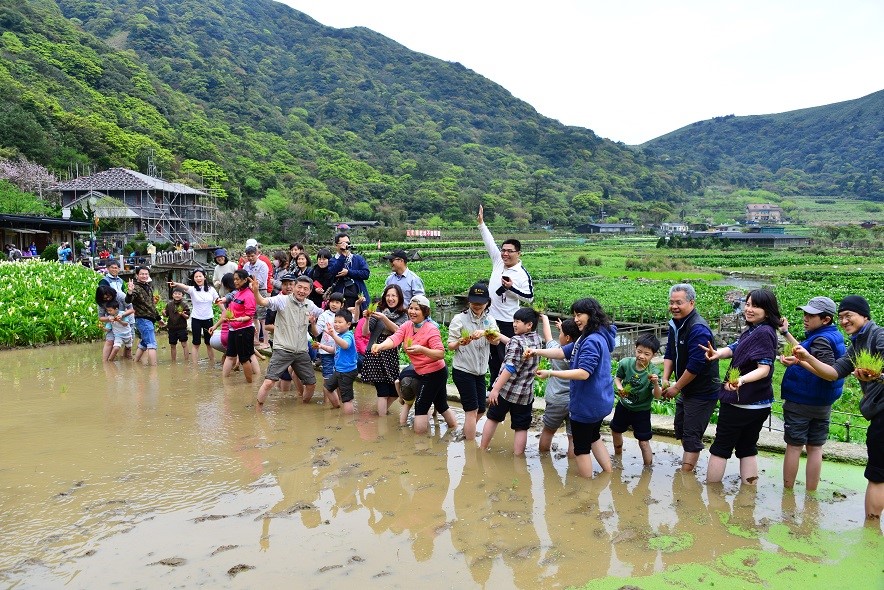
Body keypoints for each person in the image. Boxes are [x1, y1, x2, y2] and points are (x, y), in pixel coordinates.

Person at [792, 295, 884, 522]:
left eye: (848, 315)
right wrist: (806, 359)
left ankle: (871, 528)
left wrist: (878, 376)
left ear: (864, 315)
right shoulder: (856, 345)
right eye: (841, 317)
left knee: (877, 475)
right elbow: (832, 373)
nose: (843, 321)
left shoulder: (879, 336)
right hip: (877, 412)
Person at [700, 289, 781, 485]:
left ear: (768, 311)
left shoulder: (763, 333)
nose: (748, 309)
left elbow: (764, 368)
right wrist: (719, 354)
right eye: (747, 304)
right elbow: (737, 346)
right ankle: (748, 495)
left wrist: (741, 381)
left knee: (721, 448)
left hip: (741, 402)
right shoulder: (756, 330)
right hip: (759, 404)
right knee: (747, 447)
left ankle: (711, 494)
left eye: (755, 306)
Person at [533, 298, 616, 477]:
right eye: (574, 315)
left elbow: (583, 373)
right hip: (599, 401)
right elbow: (563, 351)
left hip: (586, 403)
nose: (576, 319)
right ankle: (608, 475)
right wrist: (536, 351)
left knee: (581, 449)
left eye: (579, 315)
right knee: (594, 436)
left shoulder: (591, 340)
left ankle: (586, 490)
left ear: (591, 315)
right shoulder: (593, 335)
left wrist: (551, 373)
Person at [778, 296, 846, 491]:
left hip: (803, 400)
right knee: (815, 447)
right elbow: (805, 352)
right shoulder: (831, 335)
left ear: (826, 319)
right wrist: (786, 333)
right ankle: (811, 491)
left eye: (811, 316)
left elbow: (827, 371)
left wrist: (799, 363)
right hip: (822, 403)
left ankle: (788, 491)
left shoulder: (821, 340)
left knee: (794, 446)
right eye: (805, 314)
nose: (806, 318)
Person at [370, 295, 457, 435]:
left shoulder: (431, 329)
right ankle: (454, 430)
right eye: (411, 308)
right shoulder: (407, 326)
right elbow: (394, 338)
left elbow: (440, 354)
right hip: (420, 371)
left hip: (435, 373)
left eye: (417, 309)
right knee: (441, 405)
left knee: (421, 406)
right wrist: (380, 346)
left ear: (425, 312)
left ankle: (420, 446)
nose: (412, 311)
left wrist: (422, 349)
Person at [661, 283, 720, 472]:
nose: (674, 306)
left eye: (679, 302)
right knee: (682, 428)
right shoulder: (675, 324)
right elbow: (670, 352)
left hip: (701, 391)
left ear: (691, 303)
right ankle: (688, 467)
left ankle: (686, 475)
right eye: (671, 302)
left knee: (692, 435)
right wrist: (665, 378)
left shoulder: (698, 329)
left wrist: (676, 387)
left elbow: (696, 365)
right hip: (686, 388)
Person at [476, 205, 534, 390]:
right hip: (491, 320)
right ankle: (493, 389)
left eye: (510, 251)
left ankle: (506, 389)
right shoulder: (498, 261)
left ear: (518, 253)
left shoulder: (522, 274)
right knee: (492, 356)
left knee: (506, 357)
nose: (505, 254)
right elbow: (489, 243)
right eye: (504, 250)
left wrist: (512, 288)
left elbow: (529, 298)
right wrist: (481, 224)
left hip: (509, 322)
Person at [480, 307, 542, 456]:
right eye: (514, 321)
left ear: (529, 325)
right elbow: (515, 345)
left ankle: (481, 450)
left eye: (518, 322)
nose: (514, 324)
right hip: (525, 394)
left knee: (493, 418)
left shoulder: (516, 341)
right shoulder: (537, 339)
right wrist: (498, 335)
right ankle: (518, 457)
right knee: (521, 427)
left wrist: (495, 389)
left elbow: (510, 367)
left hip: (506, 391)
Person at [252, 274, 322, 406]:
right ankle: (257, 411)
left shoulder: (310, 305)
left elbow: (326, 314)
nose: (302, 291)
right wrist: (256, 292)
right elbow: (262, 302)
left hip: (301, 351)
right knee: (269, 382)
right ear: (294, 287)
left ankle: (303, 408)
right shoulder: (282, 300)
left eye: (305, 289)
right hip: (283, 349)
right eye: (299, 287)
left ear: (310, 291)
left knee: (311, 384)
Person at [448, 282, 500, 441]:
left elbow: (497, 341)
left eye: (481, 303)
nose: (477, 306)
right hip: (463, 370)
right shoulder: (459, 319)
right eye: (474, 302)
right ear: (469, 301)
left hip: (480, 371)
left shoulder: (489, 320)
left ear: (487, 302)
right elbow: (450, 345)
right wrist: (460, 342)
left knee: (481, 410)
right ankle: (470, 448)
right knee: (471, 410)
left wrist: (486, 333)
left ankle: (464, 433)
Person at [612, 334, 663, 466]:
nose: (641, 356)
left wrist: (656, 384)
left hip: (642, 411)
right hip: (623, 406)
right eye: (639, 351)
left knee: (644, 441)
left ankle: (648, 468)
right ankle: (618, 458)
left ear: (654, 355)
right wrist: (620, 388)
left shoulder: (653, 372)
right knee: (616, 430)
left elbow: (657, 395)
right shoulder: (626, 363)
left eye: (647, 354)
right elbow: (618, 378)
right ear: (635, 348)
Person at [361, 284, 409, 416]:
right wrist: (367, 318)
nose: (390, 298)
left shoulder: (404, 315)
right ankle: (382, 424)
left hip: (391, 354)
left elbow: (399, 331)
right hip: (375, 353)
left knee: (394, 392)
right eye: (388, 295)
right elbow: (365, 333)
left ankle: (379, 414)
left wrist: (383, 318)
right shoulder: (378, 310)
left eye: (394, 295)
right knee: (382, 392)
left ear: (399, 297)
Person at [537, 316, 581, 457]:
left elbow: (548, 336)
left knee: (548, 431)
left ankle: (544, 459)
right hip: (575, 401)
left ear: (567, 337)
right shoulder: (581, 353)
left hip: (556, 400)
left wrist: (544, 318)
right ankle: (572, 466)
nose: (558, 336)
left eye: (561, 334)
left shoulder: (556, 351)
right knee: (572, 437)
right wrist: (565, 328)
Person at [168, 269, 219, 366]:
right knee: (196, 343)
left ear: (204, 277)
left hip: (208, 319)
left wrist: (224, 310)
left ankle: (212, 364)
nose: (198, 278)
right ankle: (195, 366)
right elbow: (184, 286)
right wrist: (176, 284)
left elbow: (217, 300)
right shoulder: (192, 289)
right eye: (196, 277)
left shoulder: (211, 289)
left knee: (209, 343)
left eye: (200, 276)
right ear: (194, 279)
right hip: (196, 319)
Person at [319, 309, 359, 414]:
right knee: (327, 388)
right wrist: (321, 346)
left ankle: (348, 423)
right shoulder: (339, 335)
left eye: (340, 322)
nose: (336, 324)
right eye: (335, 322)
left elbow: (345, 345)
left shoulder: (348, 335)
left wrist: (333, 335)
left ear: (348, 324)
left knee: (347, 399)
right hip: (339, 370)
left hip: (347, 371)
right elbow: (334, 350)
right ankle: (337, 407)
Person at [222, 269, 258, 383]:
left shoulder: (249, 295)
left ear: (245, 280)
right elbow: (230, 309)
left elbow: (250, 315)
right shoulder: (237, 293)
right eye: (234, 279)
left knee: (244, 358)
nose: (235, 282)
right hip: (233, 328)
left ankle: (250, 385)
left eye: (237, 279)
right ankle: (224, 382)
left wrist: (239, 319)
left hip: (244, 329)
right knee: (229, 355)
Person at [126, 266, 161, 366]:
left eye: (146, 274)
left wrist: (158, 319)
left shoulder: (148, 287)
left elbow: (151, 305)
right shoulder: (136, 288)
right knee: (152, 344)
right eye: (142, 274)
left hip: (148, 319)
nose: (144, 276)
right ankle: (154, 369)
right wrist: (129, 291)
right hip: (142, 319)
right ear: (137, 275)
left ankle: (135, 364)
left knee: (144, 343)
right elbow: (128, 300)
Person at [327, 233, 370, 312]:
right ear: (336, 245)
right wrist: (343, 257)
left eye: (348, 243)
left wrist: (349, 272)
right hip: (341, 298)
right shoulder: (332, 261)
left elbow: (366, 274)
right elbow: (333, 272)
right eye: (343, 243)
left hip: (358, 296)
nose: (346, 245)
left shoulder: (357, 258)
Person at [242, 245, 271, 350]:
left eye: (252, 256)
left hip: (261, 292)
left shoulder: (263, 265)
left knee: (263, 318)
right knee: (254, 317)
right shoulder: (246, 266)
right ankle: (256, 339)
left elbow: (262, 281)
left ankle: (266, 342)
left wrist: (252, 285)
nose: (250, 258)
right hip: (249, 292)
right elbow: (244, 278)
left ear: (257, 254)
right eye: (248, 256)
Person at [317, 293, 345, 396]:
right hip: (326, 352)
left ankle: (340, 401)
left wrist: (357, 305)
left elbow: (354, 320)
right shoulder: (324, 315)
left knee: (340, 377)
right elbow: (317, 331)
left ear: (341, 305)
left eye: (337, 302)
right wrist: (312, 323)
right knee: (328, 378)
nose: (334, 304)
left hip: (340, 351)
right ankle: (326, 402)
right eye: (332, 302)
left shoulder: (344, 315)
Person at [96, 284, 133, 361]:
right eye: (105, 298)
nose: (108, 299)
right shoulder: (101, 302)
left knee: (128, 347)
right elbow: (101, 317)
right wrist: (109, 318)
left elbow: (131, 309)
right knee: (109, 341)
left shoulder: (120, 295)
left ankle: (127, 362)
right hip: (112, 323)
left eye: (109, 296)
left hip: (126, 322)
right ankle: (105, 362)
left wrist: (122, 315)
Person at [162, 287, 191, 362]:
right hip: (172, 328)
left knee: (184, 344)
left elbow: (187, 317)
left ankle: (186, 361)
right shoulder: (169, 305)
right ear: (172, 295)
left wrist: (182, 314)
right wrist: (163, 313)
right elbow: (166, 315)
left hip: (182, 328)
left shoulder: (184, 305)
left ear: (182, 295)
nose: (177, 295)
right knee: (172, 345)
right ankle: (173, 362)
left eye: (179, 294)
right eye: (175, 294)